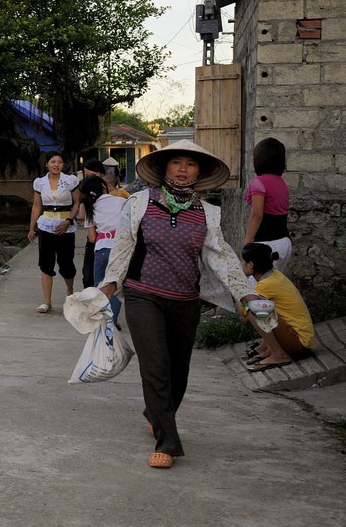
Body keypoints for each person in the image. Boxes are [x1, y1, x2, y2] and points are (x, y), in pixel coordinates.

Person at [96, 140, 253, 469]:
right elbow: (123, 247)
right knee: (156, 366)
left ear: (200, 172)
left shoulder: (207, 214)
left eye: (191, 164)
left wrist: (244, 293)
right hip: (143, 295)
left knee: (178, 371)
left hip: (185, 301)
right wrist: (109, 284)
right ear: (164, 168)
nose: (183, 169)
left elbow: (221, 257)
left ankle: (156, 413)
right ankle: (167, 441)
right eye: (177, 162)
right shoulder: (139, 203)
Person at [239, 242, 315, 370]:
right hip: (303, 341)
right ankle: (267, 348)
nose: (241, 265)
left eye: (243, 262)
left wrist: (237, 287)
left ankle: (278, 354)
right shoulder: (275, 275)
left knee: (252, 310)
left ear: (251, 265)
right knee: (261, 307)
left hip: (299, 344)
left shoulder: (265, 285)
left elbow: (244, 318)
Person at [27, 152, 80, 313]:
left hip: (66, 226)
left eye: (60, 162)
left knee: (66, 264)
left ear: (63, 165)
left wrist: (69, 221)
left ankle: (70, 293)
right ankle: (47, 301)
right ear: (47, 164)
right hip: (46, 225)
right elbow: (37, 206)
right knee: (46, 264)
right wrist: (32, 228)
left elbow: (77, 203)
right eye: (53, 162)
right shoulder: (40, 183)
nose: (56, 165)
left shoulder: (71, 181)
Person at [79, 174, 124, 328]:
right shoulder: (121, 201)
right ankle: (112, 321)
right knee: (115, 287)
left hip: (101, 249)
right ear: (104, 187)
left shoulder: (91, 208)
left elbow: (92, 238)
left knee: (100, 286)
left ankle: (101, 321)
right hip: (120, 249)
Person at [242, 137, 292, 269]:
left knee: (256, 287)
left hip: (267, 245)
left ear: (260, 159)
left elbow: (257, 214)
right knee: (272, 286)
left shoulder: (258, 182)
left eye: (255, 154)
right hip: (284, 243)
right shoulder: (281, 183)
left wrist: (247, 242)